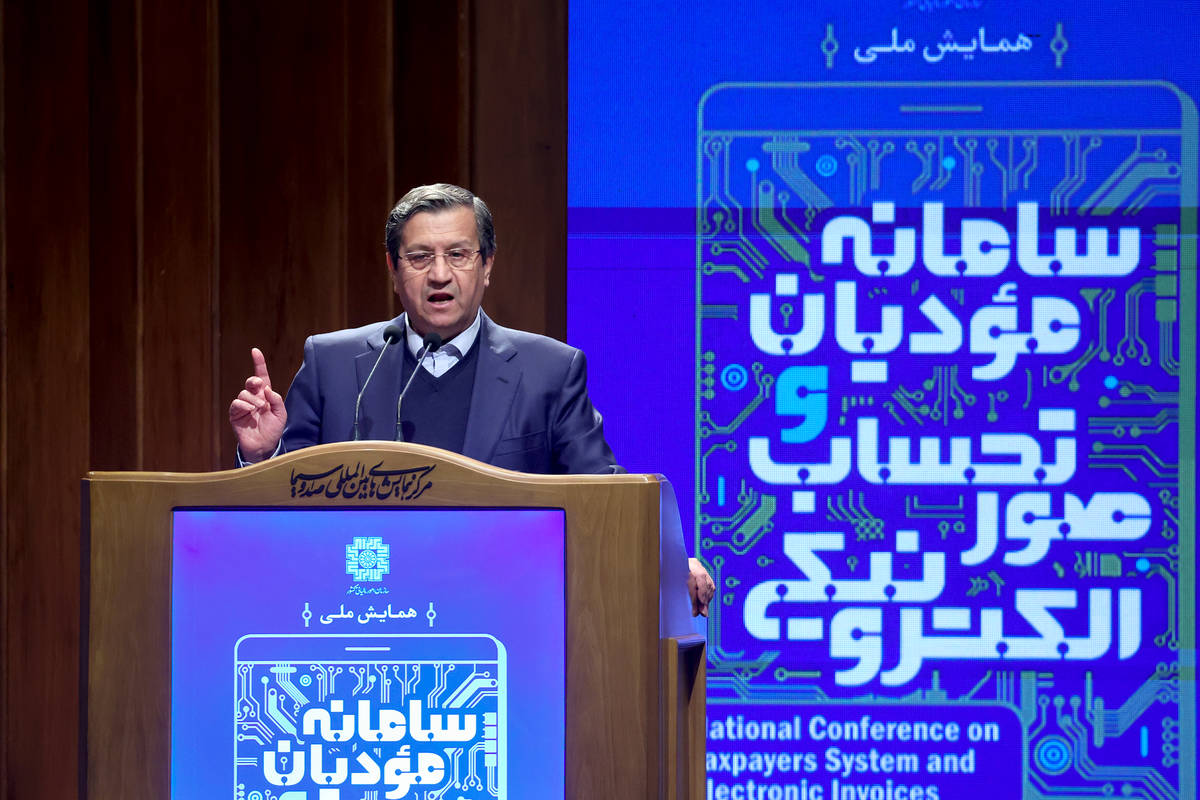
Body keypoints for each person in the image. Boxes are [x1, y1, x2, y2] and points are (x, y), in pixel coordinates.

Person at [229, 183, 715, 614]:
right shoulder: (333, 363)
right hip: (361, 612)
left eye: (458, 255)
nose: (440, 274)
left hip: (500, 616)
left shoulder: (549, 370)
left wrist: (667, 561)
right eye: (420, 257)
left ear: (487, 266)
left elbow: (603, 495)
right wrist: (262, 454)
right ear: (393, 269)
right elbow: (287, 502)